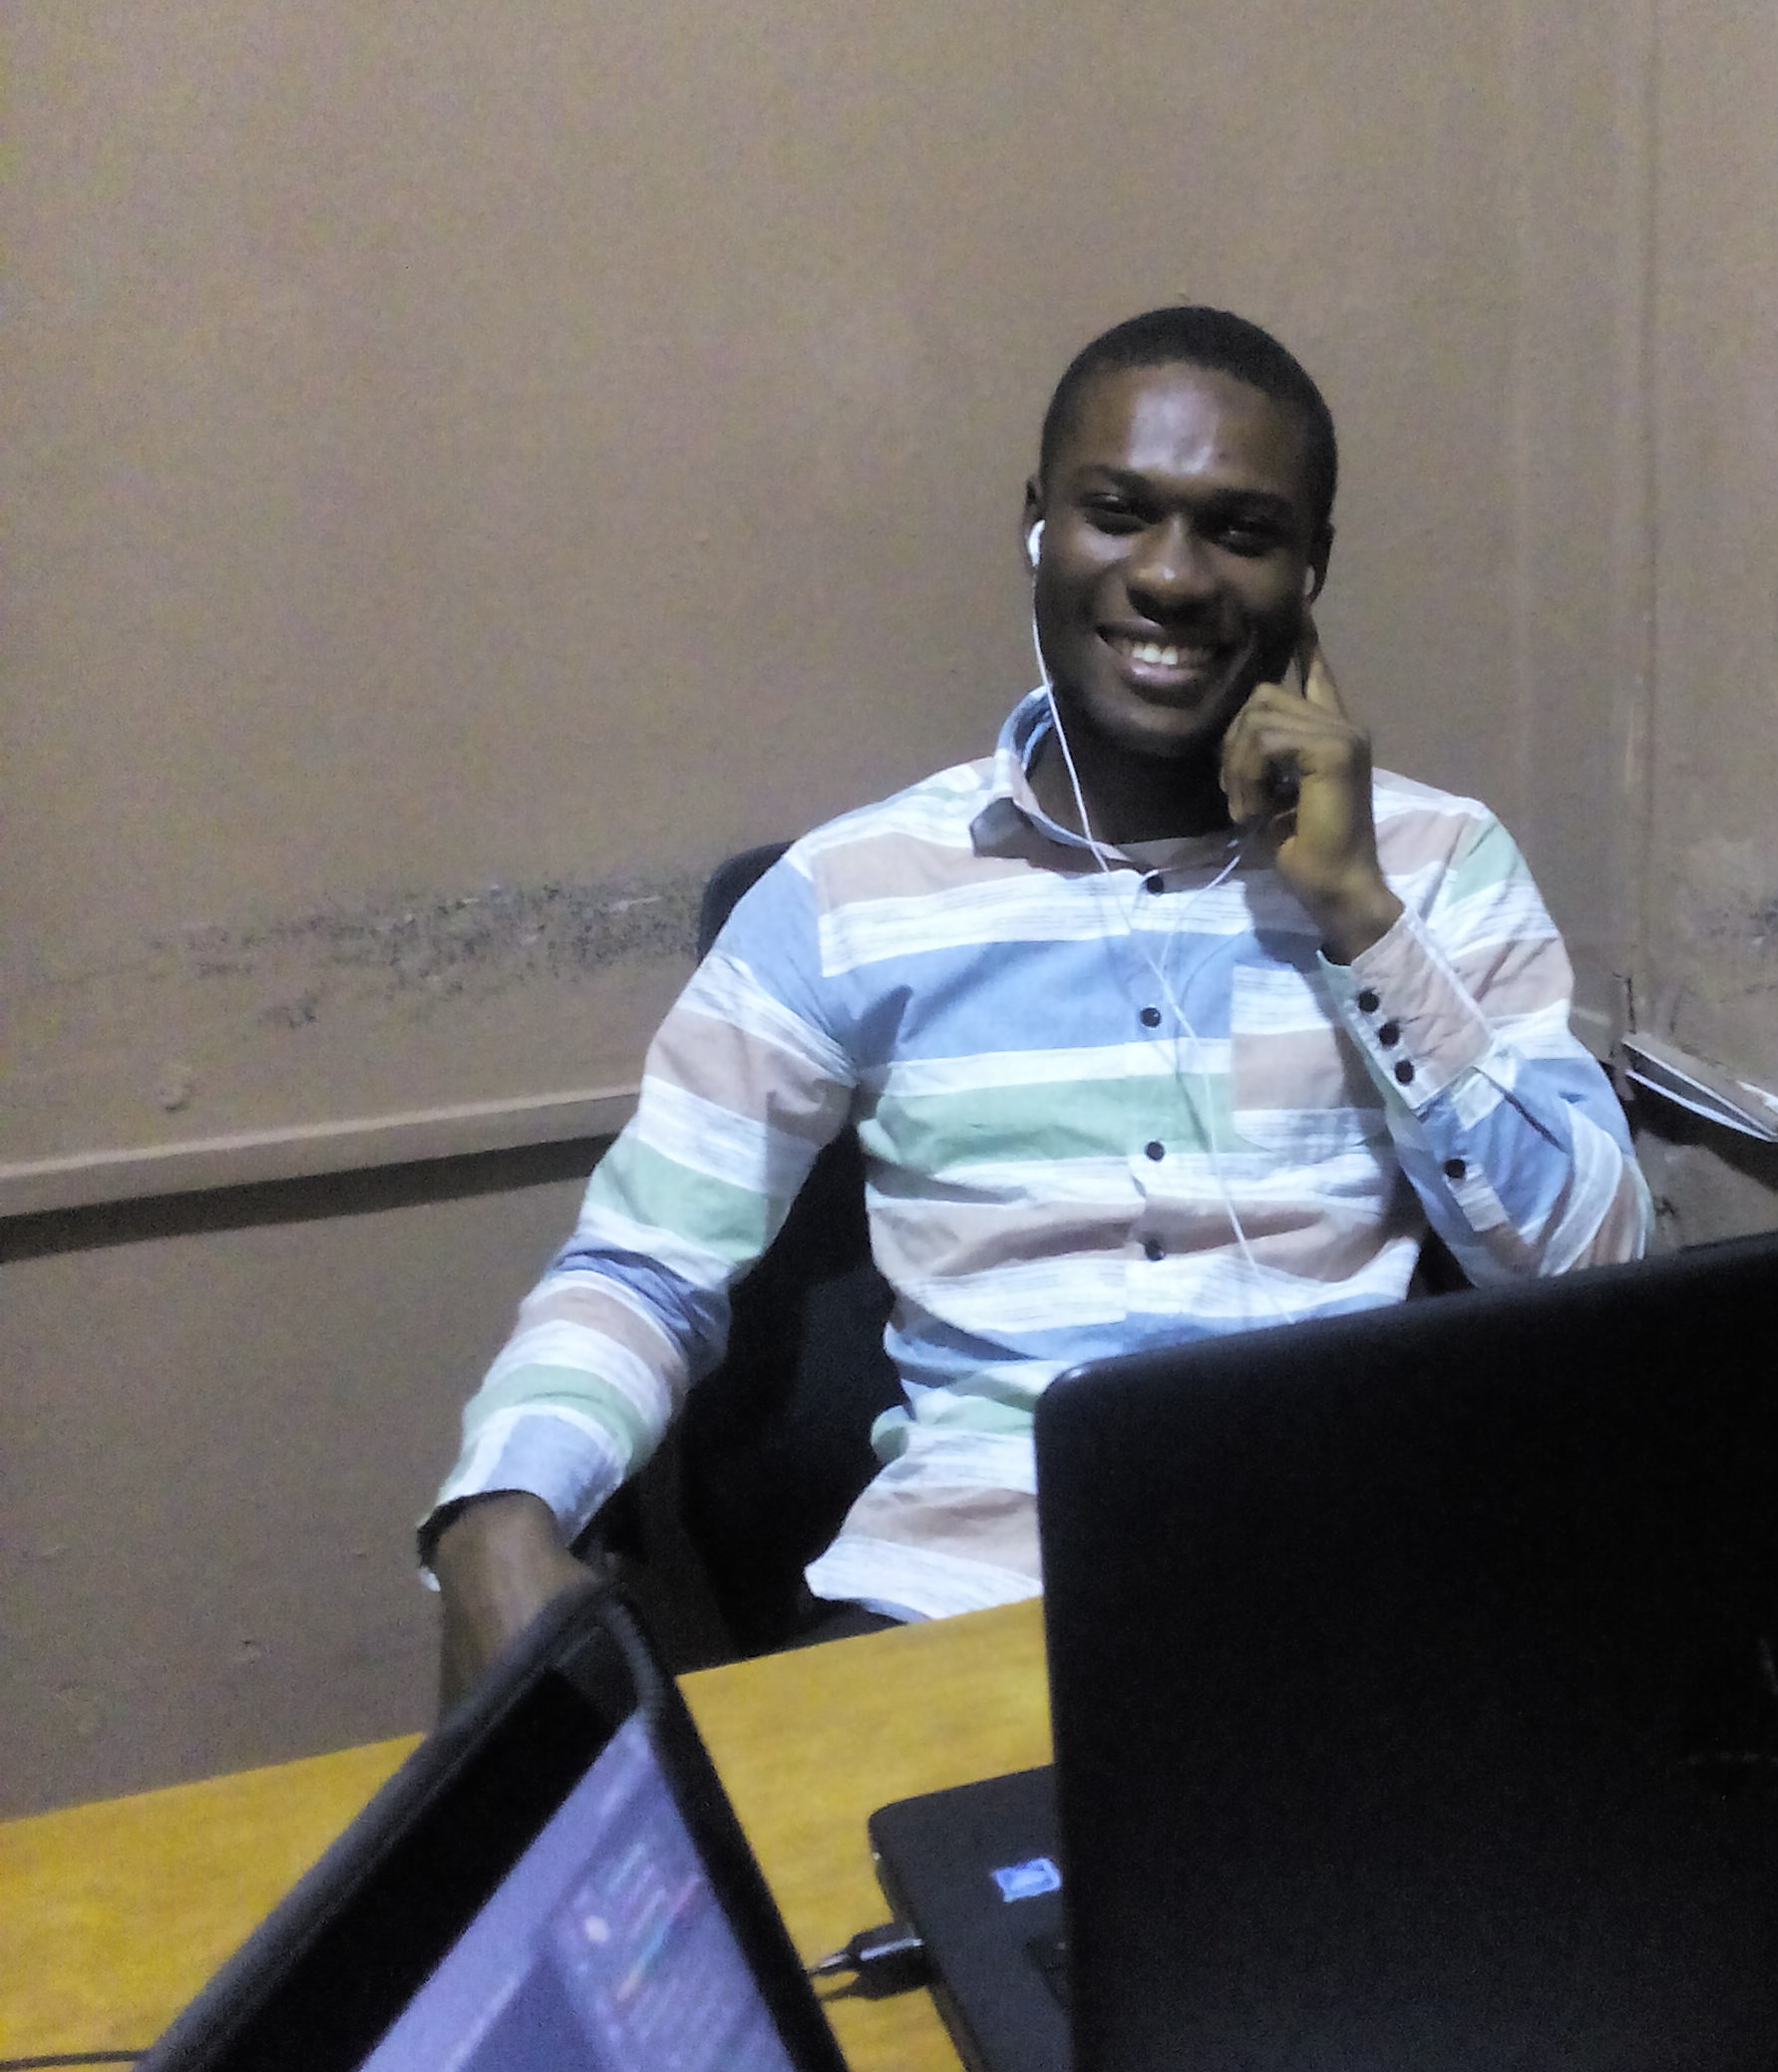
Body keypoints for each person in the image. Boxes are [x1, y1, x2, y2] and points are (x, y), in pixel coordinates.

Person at [426, 307, 1648, 1694]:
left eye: (1241, 532)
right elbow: (644, 1265)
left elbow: (1595, 1278)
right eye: (1118, 513)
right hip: (966, 1617)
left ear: (1312, 567)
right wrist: (501, 1509)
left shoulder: (1437, 867)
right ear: (1037, 529)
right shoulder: (851, 894)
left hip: (1350, 1611)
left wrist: (1360, 913)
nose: (1170, 576)